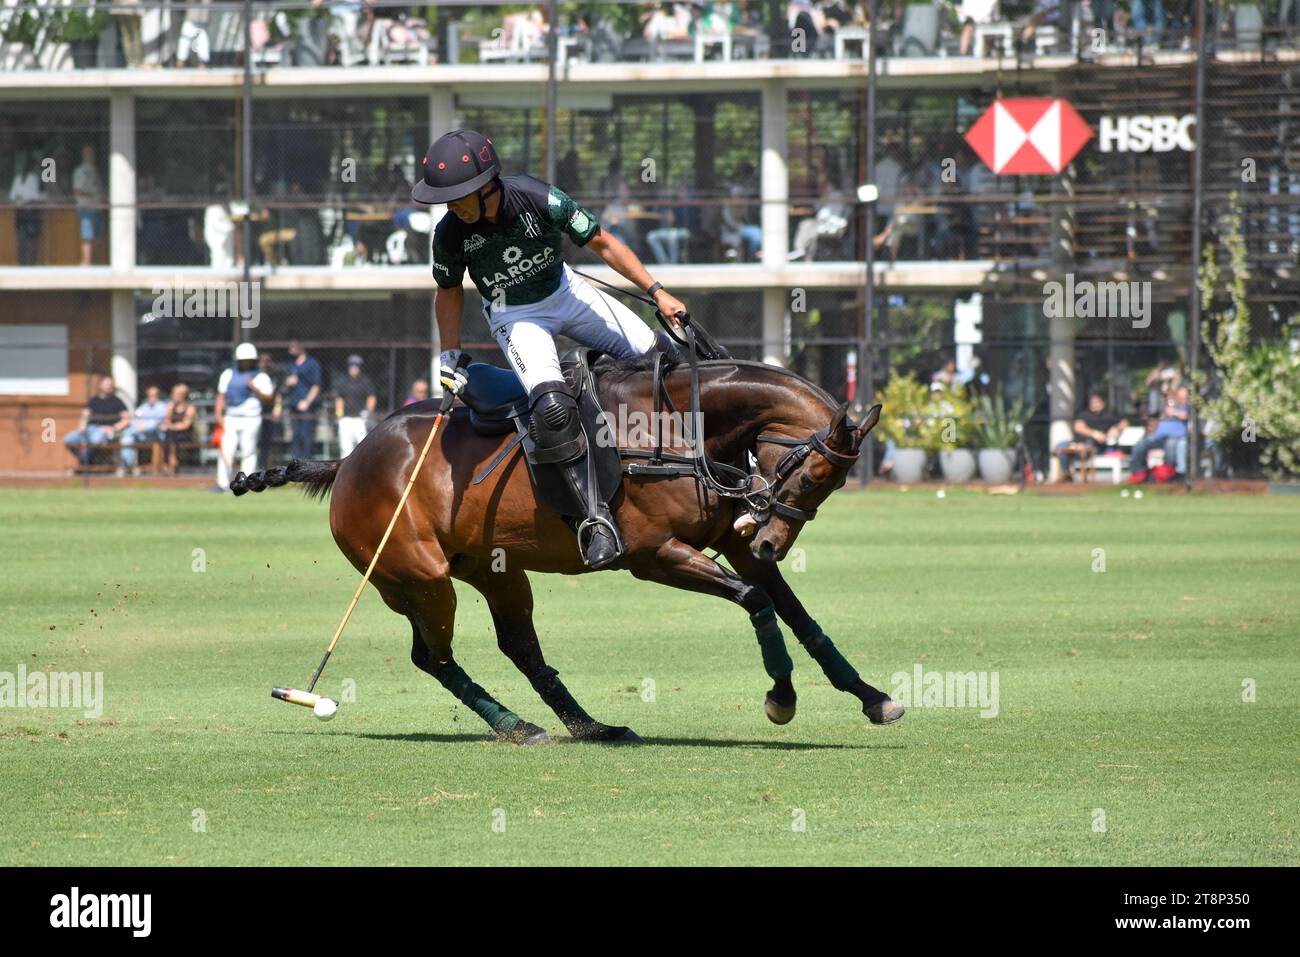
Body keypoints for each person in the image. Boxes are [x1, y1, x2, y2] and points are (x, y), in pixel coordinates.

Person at [412, 128, 687, 569]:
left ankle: (727, 472)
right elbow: (448, 291)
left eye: (460, 196)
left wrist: (657, 292)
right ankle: (594, 520)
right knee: (553, 409)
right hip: (515, 317)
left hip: (568, 293)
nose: (452, 206)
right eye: (446, 199)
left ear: (487, 185)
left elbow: (602, 241)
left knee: (667, 360)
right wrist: (449, 354)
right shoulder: (450, 233)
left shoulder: (539, 199)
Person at [214, 342, 275, 493]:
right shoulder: (228, 374)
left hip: (251, 418)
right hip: (231, 417)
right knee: (226, 451)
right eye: (243, 360)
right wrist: (218, 414)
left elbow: (268, 398)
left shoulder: (261, 377)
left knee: (249, 451)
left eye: (248, 360)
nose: (245, 362)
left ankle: (246, 484)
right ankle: (222, 484)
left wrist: (254, 388)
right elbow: (221, 396)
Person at [1055, 391, 1129, 476]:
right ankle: (1066, 473)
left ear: (1103, 403)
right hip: (1077, 442)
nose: (1094, 404)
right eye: (1092, 402)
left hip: (1096, 445)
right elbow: (1078, 427)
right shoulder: (1084, 414)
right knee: (1060, 446)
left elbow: (1124, 422)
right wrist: (1095, 434)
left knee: (1085, 447)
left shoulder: (1109, 415)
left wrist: (1116, 429)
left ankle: (1081, 477)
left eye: (1097, 402)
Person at [64, 376, 130, 470]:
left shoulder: (117, 401)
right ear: (100, 385)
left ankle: (85, 463)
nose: (108, 386)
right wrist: (82, 427)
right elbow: (85, 415)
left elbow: (126, 419)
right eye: (106, 384)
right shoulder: (93, 401)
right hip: (90, 428)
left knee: (95, 439)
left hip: (106, 431)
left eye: (110, 384)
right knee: (69, 439)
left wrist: (114, 428)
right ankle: (84, 459)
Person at [1128, 385, 1189, 483]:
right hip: (1159, 437)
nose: (1182, 399)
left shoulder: (1190, 408)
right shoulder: (1170, 405)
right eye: (1180, 396)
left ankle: (1168, 475)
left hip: (1176, 437)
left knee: (1171, 446)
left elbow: (1187, 417)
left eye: (1184, 397)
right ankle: (1138, 473)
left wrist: (1175, 413)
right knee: (1140, 444)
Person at [283, 340, 322, 461]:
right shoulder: (292, 364)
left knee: (306, 436)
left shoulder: (312, 363)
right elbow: (286, 384)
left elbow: (317, 385)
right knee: (296, 435)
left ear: (301, 348)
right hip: (293, 405)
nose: (291, 348)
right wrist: (288, 383)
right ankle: (296, 465)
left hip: (306, 407)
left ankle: (307, 465)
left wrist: (307, 402)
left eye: (294, 346)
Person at [119, 384, 170, 476]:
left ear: (158, 396)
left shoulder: (162, 407)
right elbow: (134, 419)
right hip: (140, 434)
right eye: (150, 395)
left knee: (131, 432)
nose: (152, 397)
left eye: (154, 395)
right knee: (126, 439)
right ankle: (131, 466)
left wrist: (144, 426)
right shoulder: (143, 407)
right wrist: (137, 425)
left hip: (155, 435)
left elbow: (157, 422)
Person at [334, 354, 377, 457]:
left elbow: (371, 397)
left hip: (360, 418)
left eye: (356, 366)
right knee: (346, 446)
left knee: (362, 445)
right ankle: (345, 469)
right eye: (351, 366)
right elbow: (339, 398)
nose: (353, 368)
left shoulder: (365, 381)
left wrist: (368, 411)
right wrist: (339, 414)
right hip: (346, 418)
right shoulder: (343, 381)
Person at [9, 151, 44, 266]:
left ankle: (23, 265)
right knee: (29, 241)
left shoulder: (20, 178)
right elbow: (35, 196)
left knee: (24, 241)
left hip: (24, 212)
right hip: (29, 212)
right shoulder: (30, 178)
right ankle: (28, 266)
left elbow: (13, 196)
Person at [73, 145, 105, 267]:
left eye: (92, 154)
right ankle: (86, 262)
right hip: (86, 208)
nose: (90, 156)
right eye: (88, 154)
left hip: (97, 208)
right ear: (83, 155)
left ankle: (95, 262)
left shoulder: (95, 171)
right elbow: (77, 190)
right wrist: (94, 195)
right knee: (87, 236)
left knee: (98, 238)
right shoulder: (80, 171)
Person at [158, 383, 197, 476]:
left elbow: (185, 425)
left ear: (183, 395)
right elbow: (166, 420)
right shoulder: (171, 406)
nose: (172, 395)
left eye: (175, 393)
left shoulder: (190, 407)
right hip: (172, 435)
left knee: (170, 435)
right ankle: (171, 463)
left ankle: (169, 464)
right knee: (168, 435)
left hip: (185, 435)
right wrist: (170, 409)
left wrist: (171, 426)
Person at [256, 351, 281, 469]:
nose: (265, 364)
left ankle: (264, 467)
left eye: (267, 361)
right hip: (255, 411)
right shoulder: (255, 376)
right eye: (263, 361)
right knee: (255, 442)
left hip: (268, 412)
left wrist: (277, 407)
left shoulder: (274, 377)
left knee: (266, 442)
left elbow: (278, 395)